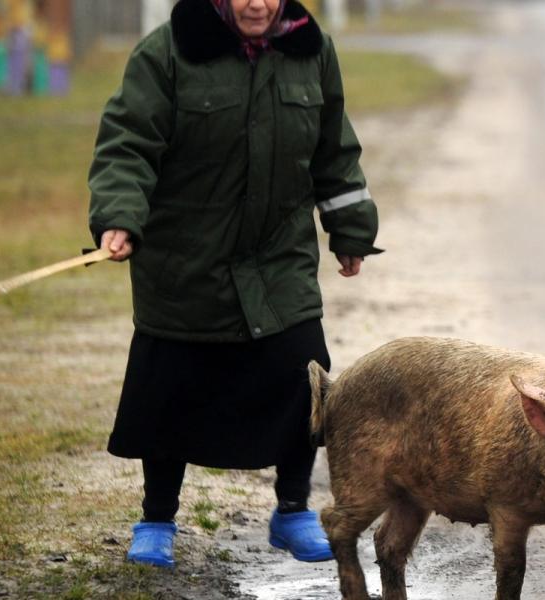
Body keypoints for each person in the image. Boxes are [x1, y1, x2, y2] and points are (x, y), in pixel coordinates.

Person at [87, 0, 381, 568]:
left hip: (278, 257)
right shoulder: (166, 53)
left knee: (305, 379)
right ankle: (156, 520)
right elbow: (127, 143)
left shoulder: (311, 51)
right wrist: (120, 215)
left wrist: (349, 228)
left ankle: (292, 510)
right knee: (172, 387)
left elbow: (334, 150)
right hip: (186, 257)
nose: (257, 3)